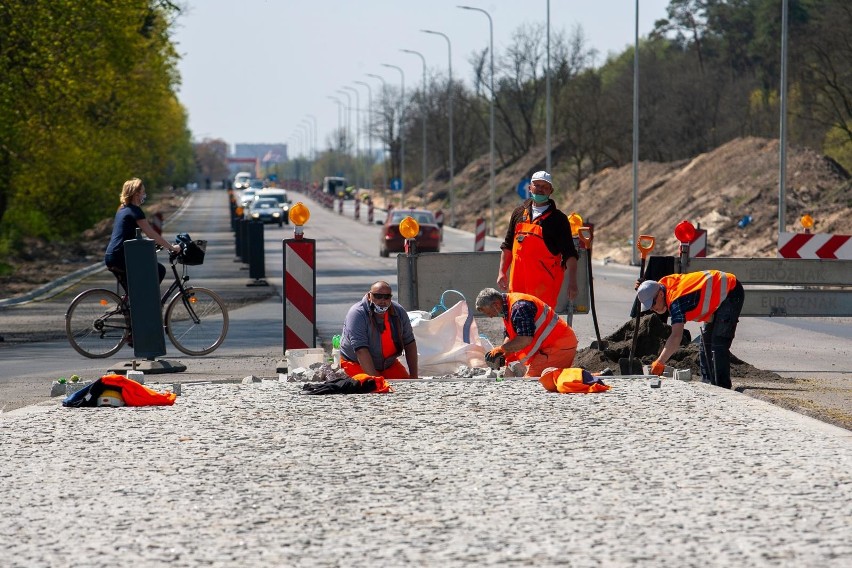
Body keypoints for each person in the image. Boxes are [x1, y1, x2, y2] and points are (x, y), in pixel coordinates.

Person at [636, 270, 745, 389]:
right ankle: (708, 384)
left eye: (652, 304)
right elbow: (652, 287)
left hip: (730, 291)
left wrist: (660, 362)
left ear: (660, 295)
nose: (652, 309)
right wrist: (643, 286)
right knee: (705, 344)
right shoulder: (662, 285)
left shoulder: (676, 301)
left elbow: (676, 337)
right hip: (717, 295)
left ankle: (723, 388)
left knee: (718, 343)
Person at [497, 170, 579, 309]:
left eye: (545, 187)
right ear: (530, 187)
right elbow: (508, 246)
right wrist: (501, 272)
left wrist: (573, 282)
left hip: (544, 291)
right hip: (517, 289)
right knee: (516, 327)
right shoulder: (518, 213)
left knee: (541, 328)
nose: (540, 189)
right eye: (537, 185)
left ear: (550, 191)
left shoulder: (558, 219)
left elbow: (570, 254)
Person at [475, 287, 578, 378]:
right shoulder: (508, 307)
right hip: (551, 346)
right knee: (521, 379)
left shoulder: (519, 307)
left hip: (559, 346)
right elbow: (510, 335)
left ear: (496, 304)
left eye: (489, 312)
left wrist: (501, 349)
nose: (490, 316)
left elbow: (525, 339)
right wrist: (503, 355)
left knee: (530, 383)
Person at [104, 178, 180, 292]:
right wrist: (171, 247)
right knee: (158, 270)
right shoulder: (135, 211)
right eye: (143, 192)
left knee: (133, 290)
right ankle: (148, 302)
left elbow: (127, 234)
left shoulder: (122, 209)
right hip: (120, 257)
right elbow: (151, 233)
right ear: (136, 193)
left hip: (111, 256)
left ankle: (133, 306)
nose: (145, 194)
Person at [338, 281, 419, 381]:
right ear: (369, 296)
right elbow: (360, 349)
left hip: (388, 365)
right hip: (356, 364)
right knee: (372, 389)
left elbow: (409, 342)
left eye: (386, 297)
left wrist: (414, 377)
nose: (382, 300)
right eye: (378, 296)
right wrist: (376, 380)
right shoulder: (357, 314)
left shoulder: (399, 312)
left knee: (406, 386)